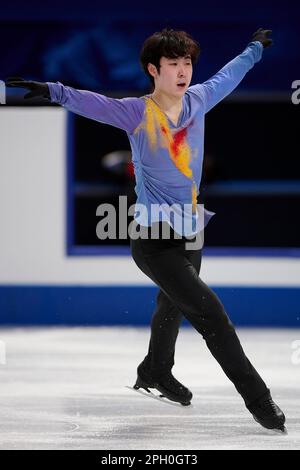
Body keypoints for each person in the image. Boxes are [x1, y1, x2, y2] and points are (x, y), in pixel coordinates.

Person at [5, 27, 286, 433]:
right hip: (154, 242)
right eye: (173, 64)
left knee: (171, 305)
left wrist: (254, 49)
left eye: (187, 62)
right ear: (154, 70)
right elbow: (94, 103)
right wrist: (53, 90)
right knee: (212, 316)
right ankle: (260, 401)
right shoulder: (137, 112)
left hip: (191, 232)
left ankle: (155, 370)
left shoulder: (199, 100)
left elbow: (229, 74)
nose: (182, 71)